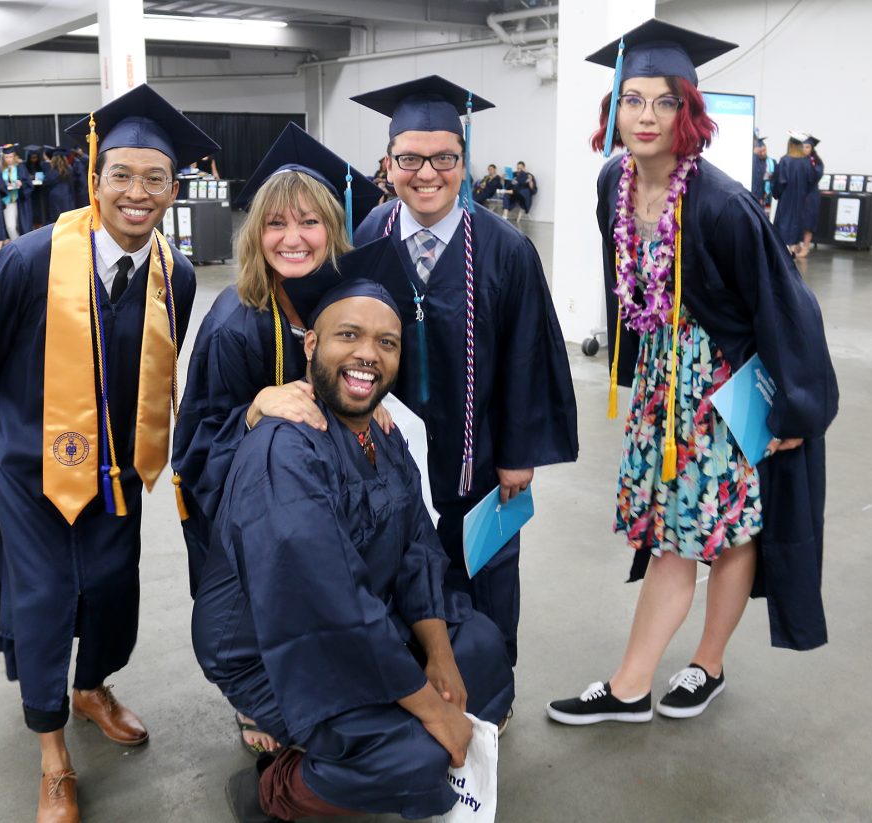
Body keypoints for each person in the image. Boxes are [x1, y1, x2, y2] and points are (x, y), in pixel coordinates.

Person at [546, 19, 838, 727]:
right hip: (660, 383)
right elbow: (631, 289)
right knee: (686, 528)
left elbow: (786, 306)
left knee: (714, 531)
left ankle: (658, 676)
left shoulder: (722, 202)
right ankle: (673, 673)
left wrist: (794, 409)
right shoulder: (613, 181)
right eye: (633, 99)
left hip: (725, 389)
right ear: (614, 109)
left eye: (664, 101)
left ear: (689, 112)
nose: (646, 116)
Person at [0, 83, 217, 823]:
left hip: (119, 473)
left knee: (108, 587)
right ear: (94, 177)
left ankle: (91, 685)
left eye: (155, 179)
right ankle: (52, 754)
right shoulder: (29, 260)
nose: (138, 193)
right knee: (42, 600)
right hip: (31, 472)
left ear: (174, 188)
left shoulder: (179, 274)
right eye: (122, 175)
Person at [192, 270, 515, 823]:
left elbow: (417, 548)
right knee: (412, 755)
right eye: (348, 335)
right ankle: (274, 791)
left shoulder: (382, 435)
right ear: (312, 345)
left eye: (385, 343)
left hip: (367, 619)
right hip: (273, 646)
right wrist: (430, 709)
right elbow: (326, 603)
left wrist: (438, 658)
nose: (367, 354)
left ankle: (358, 740)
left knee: (480, 650)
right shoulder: (285, 450)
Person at [352, 75, 578, 680]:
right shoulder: (370, 235)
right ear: (389, 161)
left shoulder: (506, 249)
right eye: (409, 159)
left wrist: (518, 453)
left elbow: (531, 356)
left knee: (487, 568)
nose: (427, 173)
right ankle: (413, 681)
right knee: (401, 563)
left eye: (445, 158)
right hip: (393, 456)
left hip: (482, 459)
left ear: (464, 159)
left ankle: (491, 685)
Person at [172, 122, 380, 754]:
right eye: (276, 225)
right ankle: (255, 700)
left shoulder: (344, 306)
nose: (293, 239)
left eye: (310, 223)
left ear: (334, 230)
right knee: (259, 614)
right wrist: (254, 411)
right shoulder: (235, 322)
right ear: (255, 234)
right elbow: (197, 445)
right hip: (243, 512)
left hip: (319, 502)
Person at [772, 130, 818, 256]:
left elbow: (779, 182)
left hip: (787, 198)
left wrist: (776, 194)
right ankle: (793, 249)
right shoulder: (807, 162)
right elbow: (811, 181)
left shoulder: (785, 161)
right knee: (797, 223)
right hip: (802, 199)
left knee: (784, 223)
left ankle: (784, 252)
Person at [0, 144, 34, 241]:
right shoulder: (1, 169)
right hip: (7, 201)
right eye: (6, 157)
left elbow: (29, 184)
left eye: (10, 156)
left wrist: (21, 183)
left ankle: (22, 245)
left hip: (20, 200)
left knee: (23, 226)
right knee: (10, 226)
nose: (9, 159)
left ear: (14, 156)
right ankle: (17, 244)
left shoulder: (20, 167)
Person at [800, 135, 824, 258]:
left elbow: (815, 177)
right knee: (798, 221)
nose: (805, 149)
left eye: (808, 146)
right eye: (803, 146)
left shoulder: (817, 162)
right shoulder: (797, 160)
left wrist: (809, 164)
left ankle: (806, 247)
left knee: (808, 222)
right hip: (799, 194)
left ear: (812, 148)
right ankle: (796, 245)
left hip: (811, 195)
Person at [42, 146, 76, 224]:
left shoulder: (53, 171)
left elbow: (46, 182)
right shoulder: (69, 169)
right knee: (67, 220)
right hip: (67, 196)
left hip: (55, 198)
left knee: (56, 221)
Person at [750, 132, 775, 213]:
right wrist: (754, 154)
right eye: (760, 151)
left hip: (767, 197)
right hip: (754, 196)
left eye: (764, 150)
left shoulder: (772, 162)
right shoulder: (753, 162)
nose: (763, 153)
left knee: (766, 218)